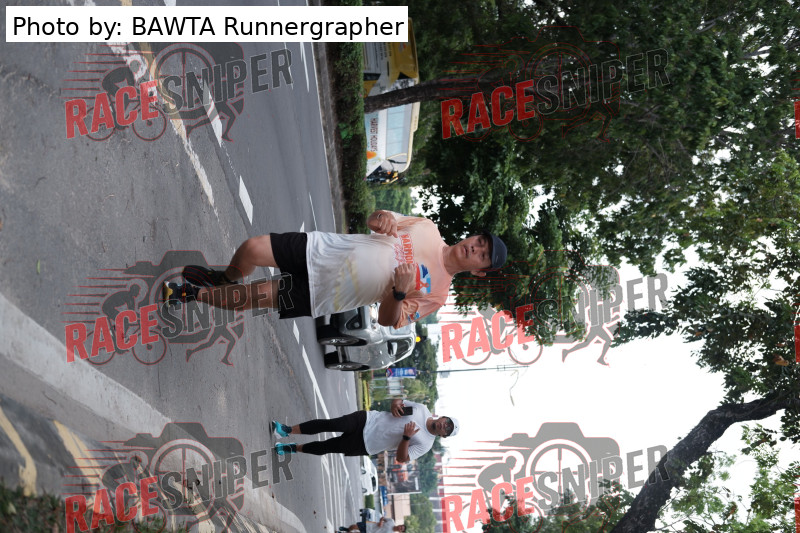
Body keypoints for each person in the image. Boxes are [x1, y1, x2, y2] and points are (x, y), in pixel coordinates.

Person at [163, 209, 507, 329]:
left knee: (253, 296)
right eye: (480, 241)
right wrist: (381, 219)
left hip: (325, 292)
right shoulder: (427, 227)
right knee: (252, 248)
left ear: (480, 271)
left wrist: (399, 292)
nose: (475, 248)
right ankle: (222, 278)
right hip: (323, 249)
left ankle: (191, 294)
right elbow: (375, 220)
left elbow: (388, 320)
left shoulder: (438, 294)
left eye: (483, 256)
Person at [270, 398, 459, 462]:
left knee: (327, 447)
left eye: (448, 430)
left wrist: (406, 438)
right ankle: (286, 430)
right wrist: (395, 404)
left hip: (366, 444)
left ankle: (292, 448)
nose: (445, 426)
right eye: (448, 422)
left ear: (444, 436)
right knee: (331, 424)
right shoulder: (422, 409)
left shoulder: (426, 444)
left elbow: (402, 458)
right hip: (367, 419)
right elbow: (399, 401)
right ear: (443, 417)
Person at [341, 517, 405, 533]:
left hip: (371, 532)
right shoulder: (391, 521)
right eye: (401, 526)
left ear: (400, 531)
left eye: (401, 529)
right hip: (369, 525)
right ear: (400, 525)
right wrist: (380, 522)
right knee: (354, 526)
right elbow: (382, 518)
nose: (400, 528)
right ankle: (347, 529)